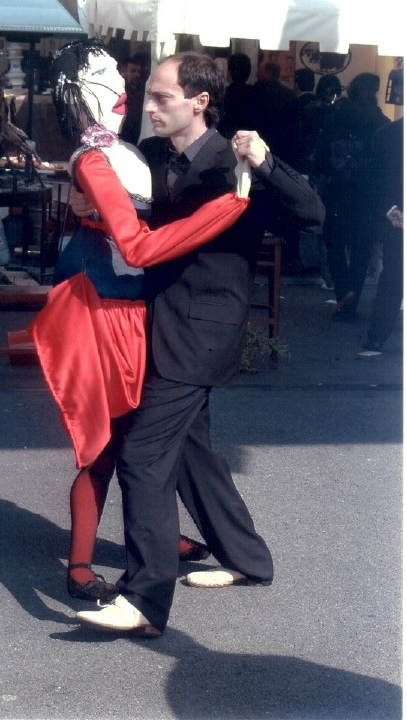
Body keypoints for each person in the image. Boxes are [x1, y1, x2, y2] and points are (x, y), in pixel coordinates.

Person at [75, 50, 325, 636]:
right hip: (157, 325)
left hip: (203, 333)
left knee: (142, 457)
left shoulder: (232, 161)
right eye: (149, 96)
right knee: (193, 455)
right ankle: (247, 559)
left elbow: (313, 214)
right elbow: (141, 227)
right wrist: (92, 207)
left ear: (200, 102)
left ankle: (144, 599)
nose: (149, 106)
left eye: (162, 97)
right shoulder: (154, 155)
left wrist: (266, 162)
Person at [26, 39, 252, 604]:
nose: (123, 87)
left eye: (121, 75)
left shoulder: (130, 151)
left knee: (145, 433)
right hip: (101, 310)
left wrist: (85, 206)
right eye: (105, 74)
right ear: (77, 90)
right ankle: (81, 565)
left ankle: (157, 540)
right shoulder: (96, 157)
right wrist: (229, 205)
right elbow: (137, 244)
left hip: (140, 310)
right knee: (107, 441)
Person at [311, 72, 390, 319]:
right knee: (361, 247)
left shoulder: (336, 117)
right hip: (368, 193)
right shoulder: (381, 122)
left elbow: (321, 154)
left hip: (338, 190)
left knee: (334, 242)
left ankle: (343, 291)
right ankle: (352, 298)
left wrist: (321, 176)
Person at [362, 117, 403, 352]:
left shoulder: (387, 134)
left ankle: (377, 336)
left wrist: (389, 208)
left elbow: (373, 180)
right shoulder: (387, 134)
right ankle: (377, 334)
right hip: (398, 217)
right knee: (394, 276)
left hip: (398, 217)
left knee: (393, 276)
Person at [217, 52, 255, 138]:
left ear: (230, 72)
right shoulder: (255, 93)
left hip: (226, 138)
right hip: (248, 138)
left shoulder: (223, 93)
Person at [118, 56, 145, 145]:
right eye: (133, 71)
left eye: (139, 72)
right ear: (123, 72)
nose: (137, 75)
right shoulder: (117, 92)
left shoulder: (141, 92)